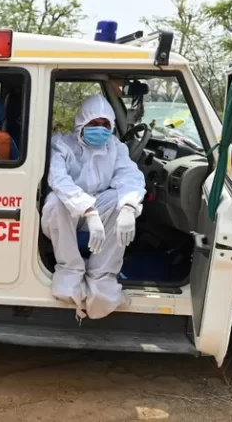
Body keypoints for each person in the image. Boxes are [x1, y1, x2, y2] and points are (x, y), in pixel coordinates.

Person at [41, 94, 146, 320]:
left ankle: (101, 278)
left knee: (120, 199)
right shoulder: (62, 144)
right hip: (66, 214)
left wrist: (129, 207)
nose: (99, 129)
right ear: (82, 123)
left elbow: (129, 176)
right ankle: (70, 271)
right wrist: (88, 211)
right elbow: (59, 180)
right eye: (94, 123)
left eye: (105, 124)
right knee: (56, 200)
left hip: (97, 210)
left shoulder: (115, 147)